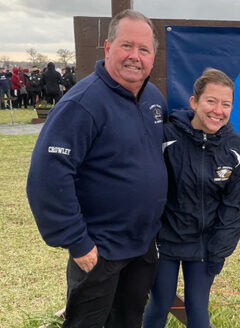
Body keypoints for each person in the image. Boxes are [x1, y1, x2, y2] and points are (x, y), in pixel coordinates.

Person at [26, 9, 167, 327]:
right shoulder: (82, 104)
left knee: (129, 320)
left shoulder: (153, 99)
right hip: (98, 250)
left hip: (142, 246)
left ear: (153, 57)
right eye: (126, 46)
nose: (135, 56)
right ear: (107, 48)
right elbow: (47, 177)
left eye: (144, 50)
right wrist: (77, 242)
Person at [143, 68, 240, 328]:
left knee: (197, 308)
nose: (218, 110)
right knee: (160, 303)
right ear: (194, 102)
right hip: (164, 241)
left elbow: (235, 208)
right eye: (211, 101)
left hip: (205, 246)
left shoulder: (239, 150)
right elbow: (144, 187)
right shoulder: (166, 137)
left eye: (226, 104)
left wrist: (219, 250)